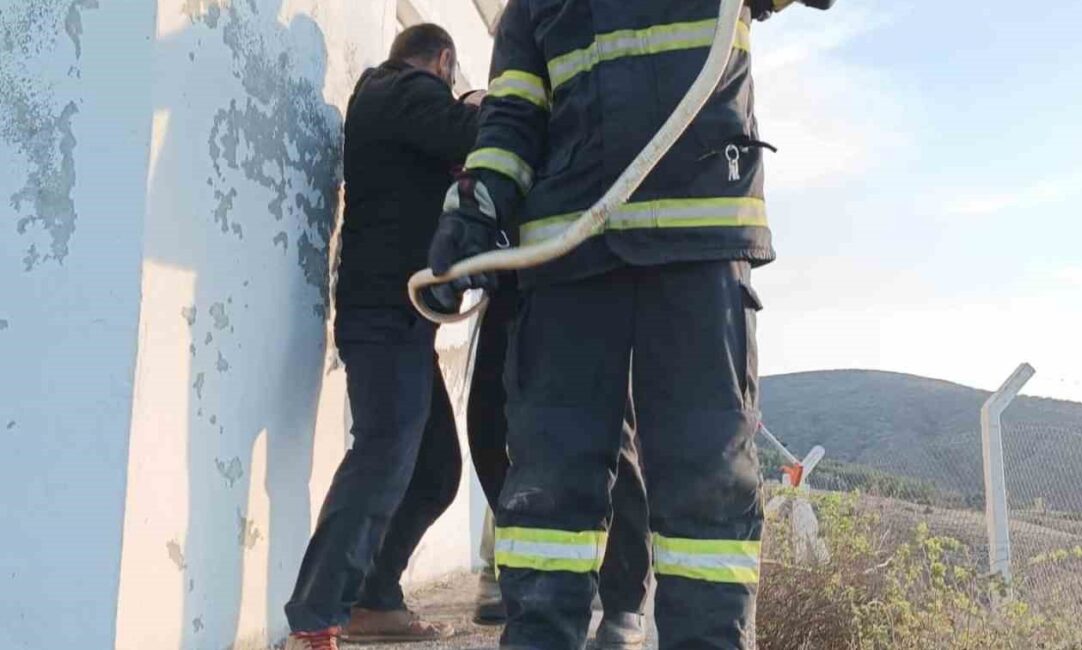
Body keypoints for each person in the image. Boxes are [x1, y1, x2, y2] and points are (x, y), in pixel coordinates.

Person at [426, 0, 837, 648]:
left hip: (695, 255)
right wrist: (475, 208)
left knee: (705, 489)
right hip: (568, 260)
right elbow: (511, 116)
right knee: (548, 495)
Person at [284, 24, 482, 650]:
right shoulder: (399, 91)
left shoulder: (395, 102)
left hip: (406, 318)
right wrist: (485, 105)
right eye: (453, 81)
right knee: (381, 460)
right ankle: (316, 616)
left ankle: (375, 596)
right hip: (385, 316)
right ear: (443, 61)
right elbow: (472, 134)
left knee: (435, 470)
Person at [466, 275, 653, 649]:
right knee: (489, 421)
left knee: (613, 433)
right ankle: (515, 572)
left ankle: (625, 602)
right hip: (514, 269)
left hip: (598, 270)